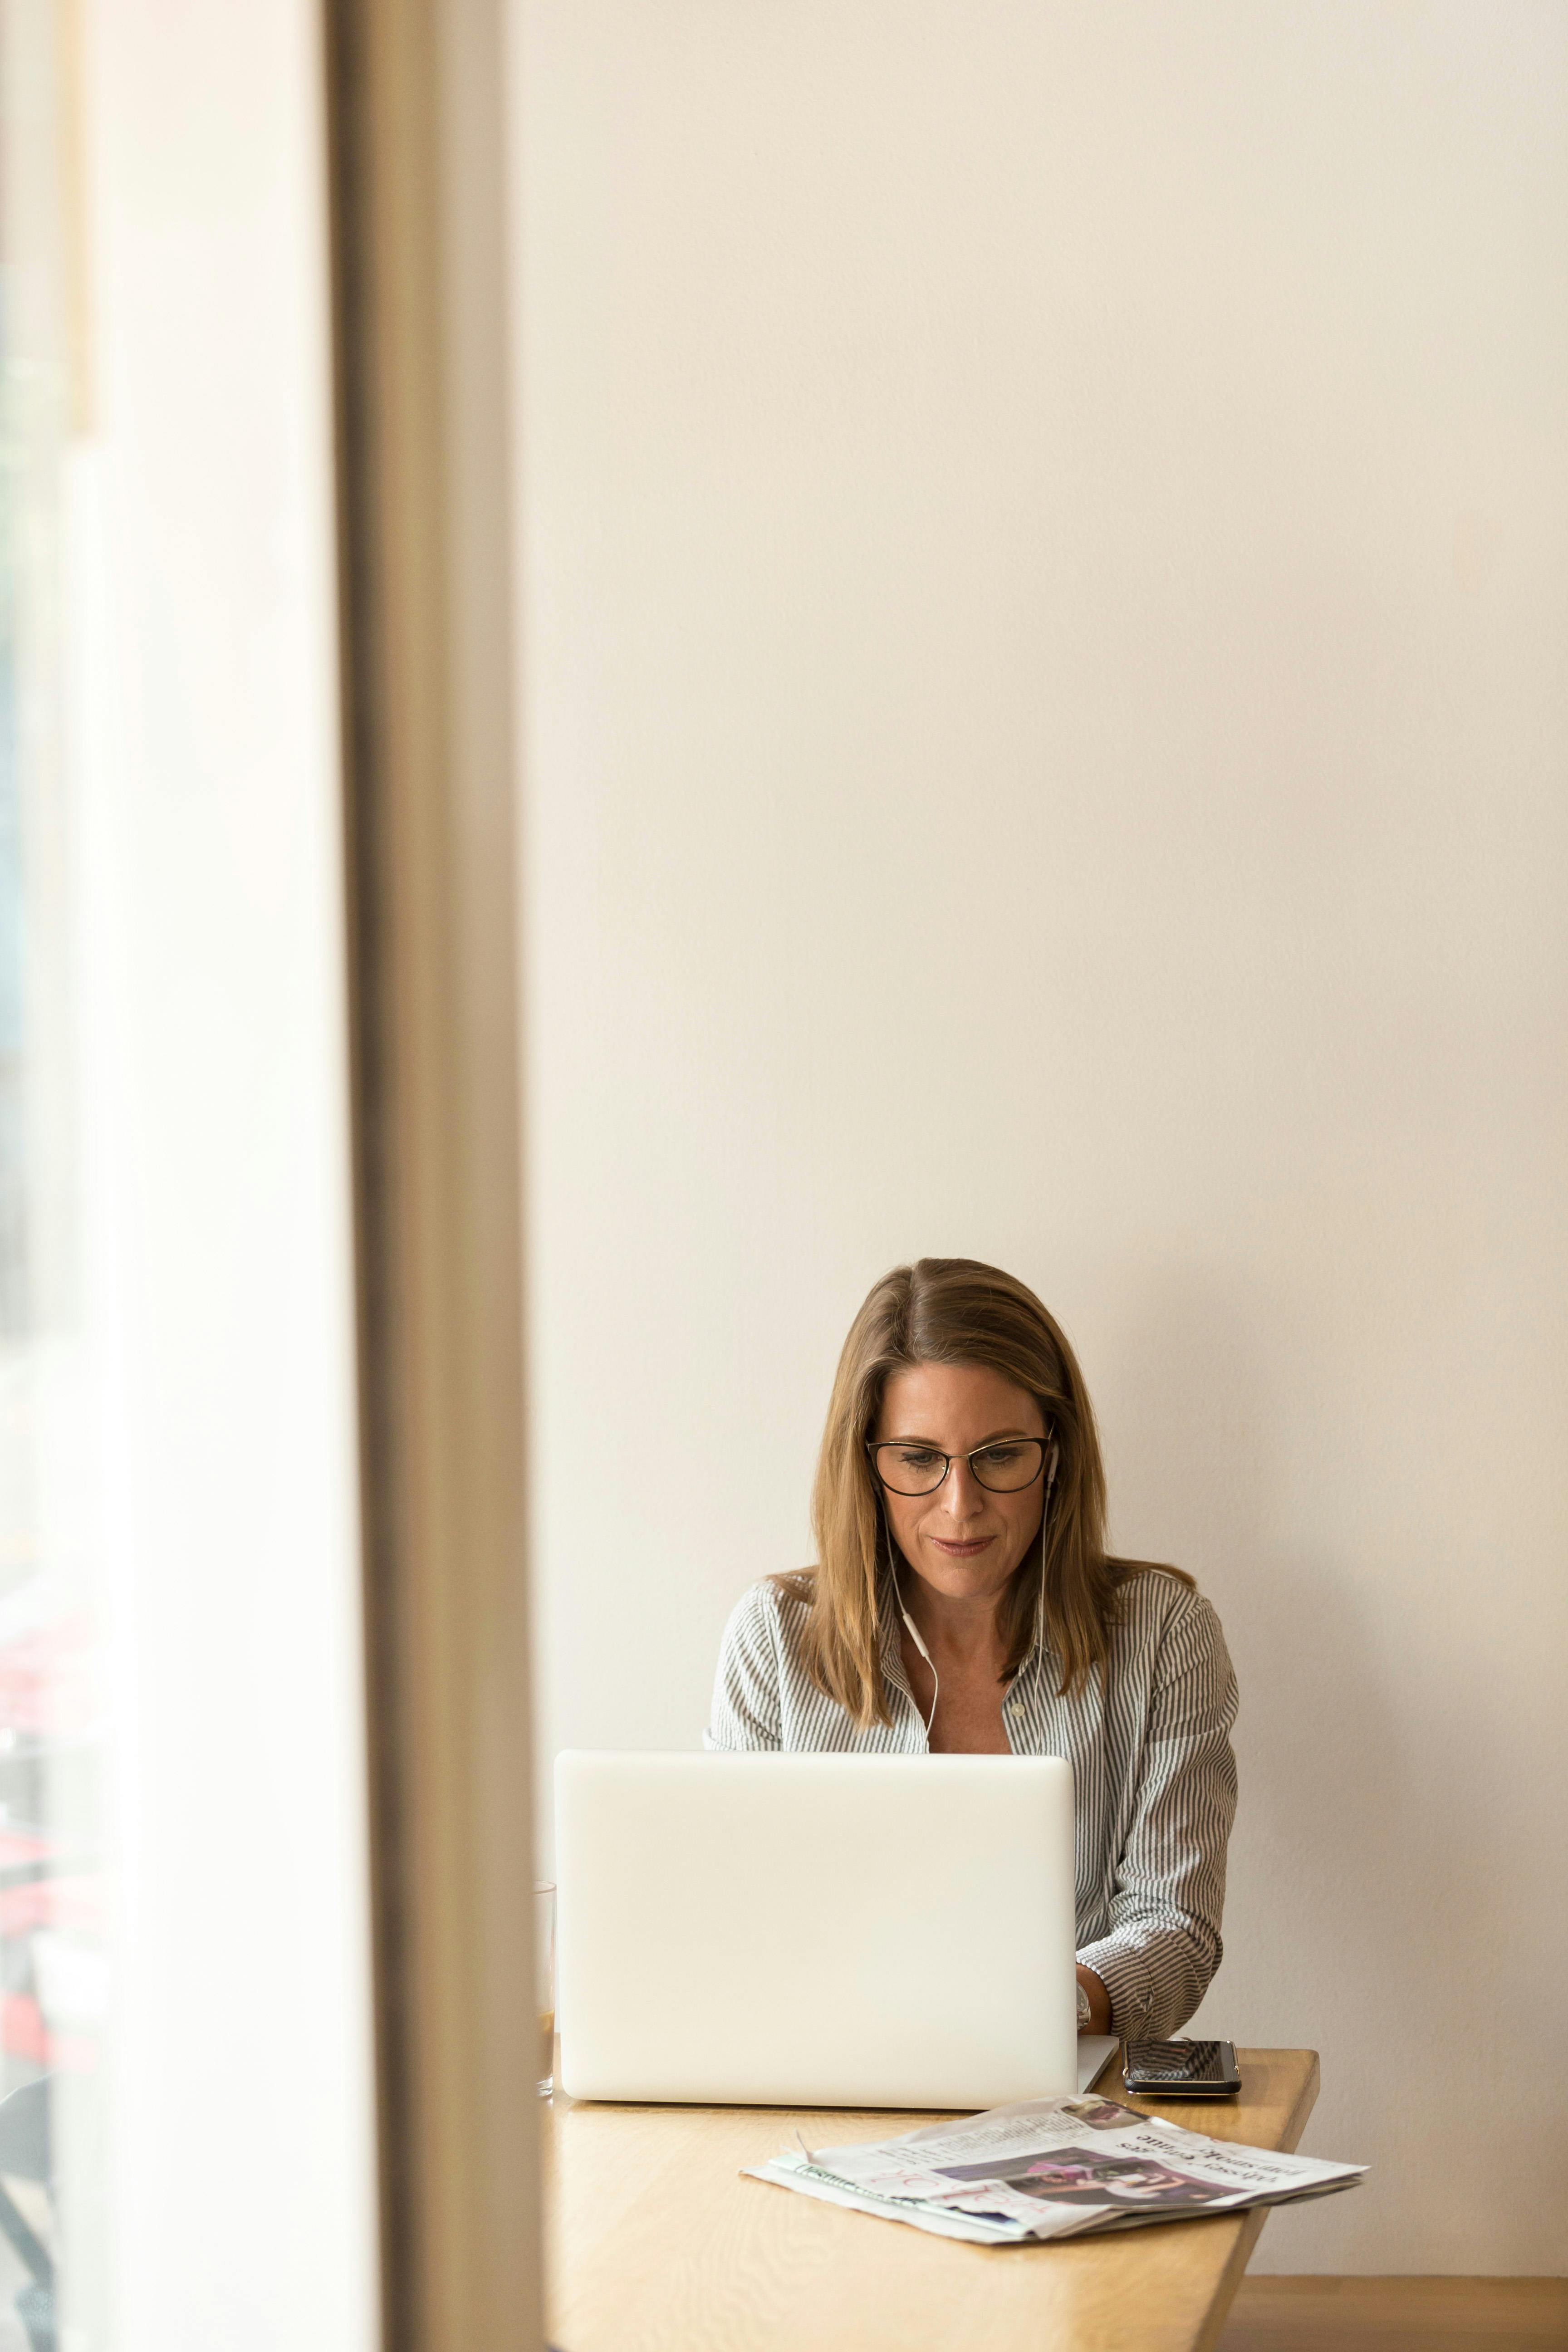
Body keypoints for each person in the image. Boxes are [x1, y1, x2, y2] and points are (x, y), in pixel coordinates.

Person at [706, 1256, 1238, 2045]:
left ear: (1054, 1453)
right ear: (867, 1464)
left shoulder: (1164, 1635)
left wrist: (1029, 2016)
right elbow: (733, 1922)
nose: (961, 1507)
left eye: (999, 1456)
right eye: (919, 1459)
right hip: (823, 2080)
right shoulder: (774, 1638)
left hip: (1066, 2097)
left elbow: (1175, 1927)